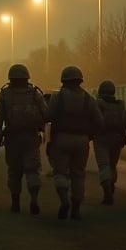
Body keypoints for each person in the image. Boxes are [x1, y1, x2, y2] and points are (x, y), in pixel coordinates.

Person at [45, 66, 103, 221]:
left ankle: (64, 200)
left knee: (60, 172)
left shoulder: (58, 97)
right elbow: (99, 121)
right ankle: (76, 208)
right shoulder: (88, 98)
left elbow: (48, 116)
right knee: (78, 175)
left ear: (63, 80)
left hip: (61, 139)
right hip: (82, 140)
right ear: (80, 80)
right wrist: (88, 136)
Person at [0, 64, 47, 214]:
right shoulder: (35, 93)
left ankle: (15, 203)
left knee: (14, 171)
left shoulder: (4, 94)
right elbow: (46, 114)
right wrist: (42, 130)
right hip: (31, 138)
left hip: (12, 138)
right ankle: (34, 199)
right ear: (26, 76)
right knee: (33, 170)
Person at [93, 80, 126, 205]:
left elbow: (93, 120)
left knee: (104, 165)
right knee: (112, 165)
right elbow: (125, 122)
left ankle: (107, 190)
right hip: (117, 139)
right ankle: (111, 185)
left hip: (101, 138)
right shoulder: (120, 105)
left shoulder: (98, 104)